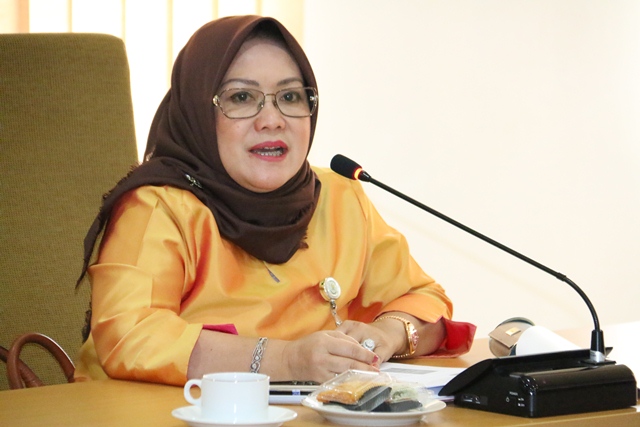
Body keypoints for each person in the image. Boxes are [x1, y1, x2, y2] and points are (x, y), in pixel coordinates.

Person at [74, 15, 475, 386]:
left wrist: (387, 335)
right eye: (241, 97)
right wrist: (286, 360)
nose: (272, 120)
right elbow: (130, 335)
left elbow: (425, 300)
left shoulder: (338, 197)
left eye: (290, 96)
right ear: (198, 110)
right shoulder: (158, 208)